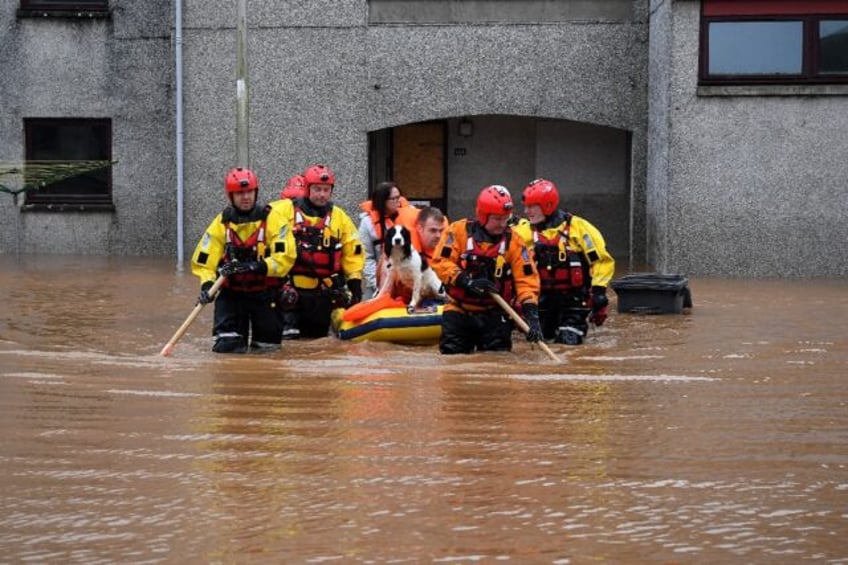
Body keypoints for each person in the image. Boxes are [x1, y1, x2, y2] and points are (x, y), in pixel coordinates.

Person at [191, 167, 297, 353]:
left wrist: (255, 266)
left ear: (256, 192)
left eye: (249, 192)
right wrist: (207, 286)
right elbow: (204, 260)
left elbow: (285, 257)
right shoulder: (222, 223)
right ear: (230, 196)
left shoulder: (274, 219)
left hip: (266, 294)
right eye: (240, 193)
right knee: (227, 351)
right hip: (232, 296)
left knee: (268, 352)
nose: (245, 197)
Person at [430, 185, 542, 354]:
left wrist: (532, 317)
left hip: (495, 314)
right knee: (452, 365)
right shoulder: (458, 231)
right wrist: (467, 281)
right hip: (459, 310)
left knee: (497, 365)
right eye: (497, 219)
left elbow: (526, 281)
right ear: (483, 215)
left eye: (506, 218)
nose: (502, 224)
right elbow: (441, 262)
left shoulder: (515, 242)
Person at [513, 178, 615, 345]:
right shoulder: (522, 233)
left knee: (568, 343)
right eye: (526, 206)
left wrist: (599, 292)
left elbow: (601, 261)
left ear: (547, 206)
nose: (526, 211)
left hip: (574, 302)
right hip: (541, 302)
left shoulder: (579, 229)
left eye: (531, 206)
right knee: (538, 341)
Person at [278, 164, 364, 339]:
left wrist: (355, 280)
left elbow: (352, 250)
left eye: (326, 190)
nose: (322, 194)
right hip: (291, 293)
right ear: (307, 189)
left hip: (323, 294)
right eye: (317, 189)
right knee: (289, 341)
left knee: (317, 341)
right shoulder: (285, 210)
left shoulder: (339, 217)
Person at [358, 181, 420, 299]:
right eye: (394, 199)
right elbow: (367, 257)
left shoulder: (410, 214)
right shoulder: (367, 223)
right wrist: (376, 283)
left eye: (399, 197)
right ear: (383, 201)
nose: (399, 202)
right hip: (382, 280)